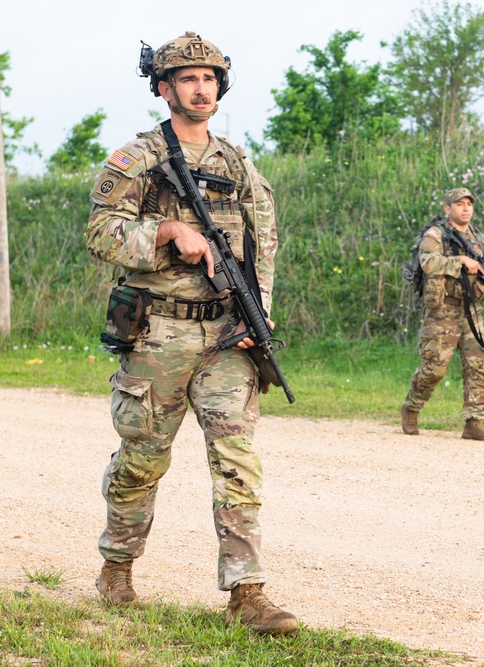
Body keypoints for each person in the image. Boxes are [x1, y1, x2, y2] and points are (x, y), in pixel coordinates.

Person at [85, 32, 298, 634]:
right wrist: (166, 232)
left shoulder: (236, 163)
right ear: (164, 87)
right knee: (142, 460)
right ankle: (118, 564)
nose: (201, 88)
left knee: (238, 461)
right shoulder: (138, 159)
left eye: (209, 79)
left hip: (228, 336)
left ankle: (247, 594)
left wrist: (261, 310)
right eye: (188, 79)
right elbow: (101, 235)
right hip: (158, 336)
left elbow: (264, 242)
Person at [401, 188, 484, 442]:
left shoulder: (481, 240)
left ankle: (474, 422)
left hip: (471, 311)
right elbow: (428, 263)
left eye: (469, 204)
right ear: (448, 209)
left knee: (477, 367)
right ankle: (411, 407)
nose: (466, 208)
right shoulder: (435, 235)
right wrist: (460, 261)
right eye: (460, 204)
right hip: (442, 312)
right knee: (434, 368)